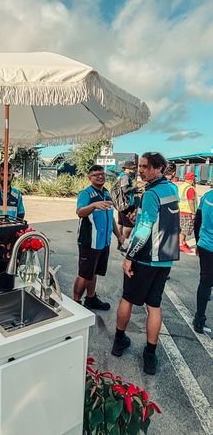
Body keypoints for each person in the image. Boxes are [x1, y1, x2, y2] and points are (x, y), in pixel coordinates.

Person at [111, 152, 179, 375]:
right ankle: (150, 355)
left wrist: (129, 256)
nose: (140, 170)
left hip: (146, 257)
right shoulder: (171, 189)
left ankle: (119, 341)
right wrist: (138, 215)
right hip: (165, 258)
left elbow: (144, 229)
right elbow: (158, 219)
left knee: (127, 299)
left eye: (145, 167)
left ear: (158, 168)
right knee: (154, 306)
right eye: (139, 166)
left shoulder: (151, 194)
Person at [74, 165, 125, 311]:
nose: (100, 177)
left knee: (94, 271)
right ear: (89, 178)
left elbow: (111, 217)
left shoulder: (106, 194)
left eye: (102, 174)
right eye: (96, 175)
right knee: (84, 274)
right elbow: (80, 212)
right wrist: (94, 205)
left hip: (103, 241)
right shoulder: (86, 193)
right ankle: (76, 302)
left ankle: (90, 299)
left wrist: (119, 236)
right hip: (89, 241)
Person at [193, 189, 213, 333]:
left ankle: (199, 319)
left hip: (205, 245)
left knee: (205, 283)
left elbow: (197, 221)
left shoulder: (207, 196)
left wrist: (198, 242)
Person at [117, 161, 138, 247]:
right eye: (133, 168)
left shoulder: (121, 175)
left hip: (121, 203)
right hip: (127, 204)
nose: (134, 169)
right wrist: (136, 187)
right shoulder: (125, 176)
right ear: (127, 168)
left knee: (121, 223)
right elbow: (125, 190)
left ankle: (120, 242)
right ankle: (123, 243)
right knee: (129, 225)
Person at [178, 171, 198, 254]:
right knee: (184, 229)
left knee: (182, 228)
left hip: (180, 210)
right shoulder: (190, 188)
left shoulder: (182, 186)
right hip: (187, 211)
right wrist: (193, 212)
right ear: (192, 180)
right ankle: (180, 244)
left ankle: (182, 242)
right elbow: (190, 201)